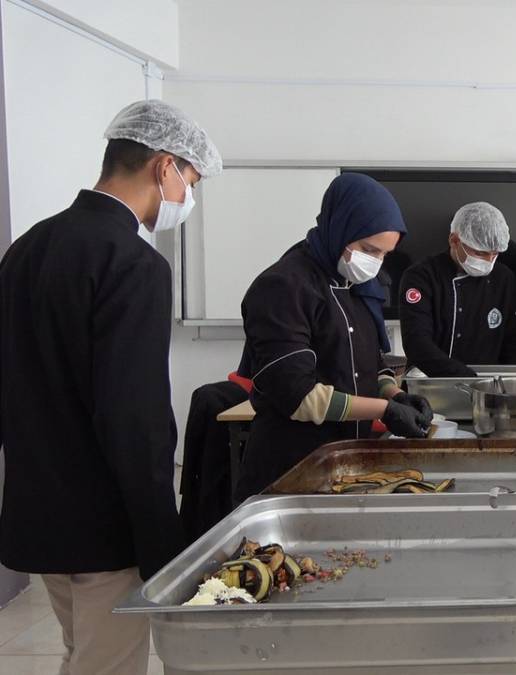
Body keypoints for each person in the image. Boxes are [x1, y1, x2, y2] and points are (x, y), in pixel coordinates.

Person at [0, 100, 219, 675]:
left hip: (38, 511)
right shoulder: (134, 264)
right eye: (191, 181)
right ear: (164, 166)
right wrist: (160, 542)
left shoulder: (27, 248)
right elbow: (133, 418)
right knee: (108, 664)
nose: (187, 197)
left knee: (81, 652)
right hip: (104, 523)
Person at [235, 173, 432, 500]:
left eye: (384, 255)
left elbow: (371, 364)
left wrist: (395, 394)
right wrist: (383, 410)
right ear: (341, 229)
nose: (375, 263)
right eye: (369, 250)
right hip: (291, 470)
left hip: (347, 464)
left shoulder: (359, 287)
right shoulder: (284, 287)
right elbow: (299, 397)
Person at [398, 202, 516, 376]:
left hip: (488, 382)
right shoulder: (421, 276)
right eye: (479, 253)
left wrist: (513, 381)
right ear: (454, 241)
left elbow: (513, 341)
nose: (488, 261)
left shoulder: (504, 278)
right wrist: (467, 378)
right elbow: (417, 344)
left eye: (495, 254)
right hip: (430, 380)